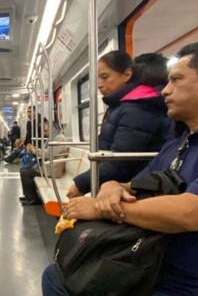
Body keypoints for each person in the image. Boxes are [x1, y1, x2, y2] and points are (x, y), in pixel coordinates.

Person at [42, 41, 198, 296]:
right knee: (56, 277)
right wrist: (111, 187)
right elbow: (136, 184)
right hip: (150, 269)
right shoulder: (179, 143)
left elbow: (191, 213)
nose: (165, 90)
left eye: (176, 80)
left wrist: (101, 208)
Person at [67, 51, 171, 198]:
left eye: (105, 77)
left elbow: (122, 161)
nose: (99, 84)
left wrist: (81, 184)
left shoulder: (138, 108)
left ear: (127, 75)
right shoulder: (121, 106)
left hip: (135, 189)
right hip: (118, 182)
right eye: (98, 78)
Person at [19, 122, 68, 206]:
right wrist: (35, 149)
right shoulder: (54, 138)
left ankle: (32, 199)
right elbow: (48, 152)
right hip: (49, 165)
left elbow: (49, 153)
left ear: (53, 129)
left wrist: (35, 150)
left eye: (46, 131)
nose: (45, 133)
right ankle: (29, 196)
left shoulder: (60, 139)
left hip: (52, 169)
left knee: (25, 172)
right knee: (25, 169)